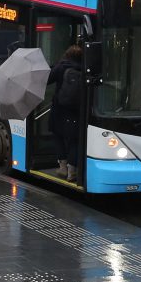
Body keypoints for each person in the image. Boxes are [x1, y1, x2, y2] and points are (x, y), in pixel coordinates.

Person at [45, 42, 86, 181]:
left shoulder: (61, 67)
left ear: (67, 55)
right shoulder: (84, 69)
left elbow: (46, 80)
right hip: (76, 111)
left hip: (59, 109)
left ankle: (62, 167)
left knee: (58, 135)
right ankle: (72, 171)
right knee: (74, 140)